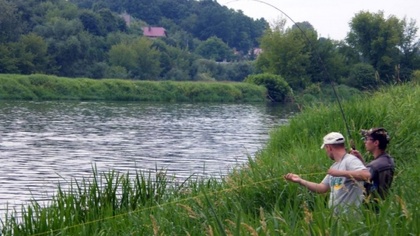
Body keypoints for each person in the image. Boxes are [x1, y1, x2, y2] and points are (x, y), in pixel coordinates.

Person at [284, 132, 371, 214]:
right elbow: (322, 188)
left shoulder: (350, 160)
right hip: (337, 219)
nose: (326, 152)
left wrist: (340, 173)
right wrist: (300, 180)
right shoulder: (334, 166)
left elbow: (366, 175)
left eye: (326, 148)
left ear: (329, 147)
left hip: (351, 218)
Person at [350, 127, 395, 201]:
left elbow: (361, 180)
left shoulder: (374, 166)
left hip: (371, 206)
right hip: (382, 203)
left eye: (367, 139)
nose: (365, 142)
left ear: (376, 143)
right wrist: (360, 160)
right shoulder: (389, 160)